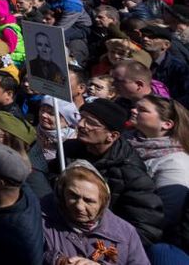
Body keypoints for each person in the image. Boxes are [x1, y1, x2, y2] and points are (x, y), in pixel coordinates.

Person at [60, 98, 165, 245]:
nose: (81, 125)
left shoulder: (130, 173)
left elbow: (146, 230)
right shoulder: (68, 150)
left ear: (112, 136)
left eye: (91, 123)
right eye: (81, 118)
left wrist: (103, 248)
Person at [40, 161, 149, 265]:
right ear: (62, 192)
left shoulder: (125, 234)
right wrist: (57, 261)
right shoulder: (42, 223)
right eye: (73, 196)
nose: (79, 206)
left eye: (88, 201)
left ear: (103, 203)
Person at [127, 94, 189, 229]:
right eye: (135, 107)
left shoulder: (175, 162)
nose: (133, 110)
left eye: (142, 110)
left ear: (166, 124)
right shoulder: (126, 143)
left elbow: (166, 214)